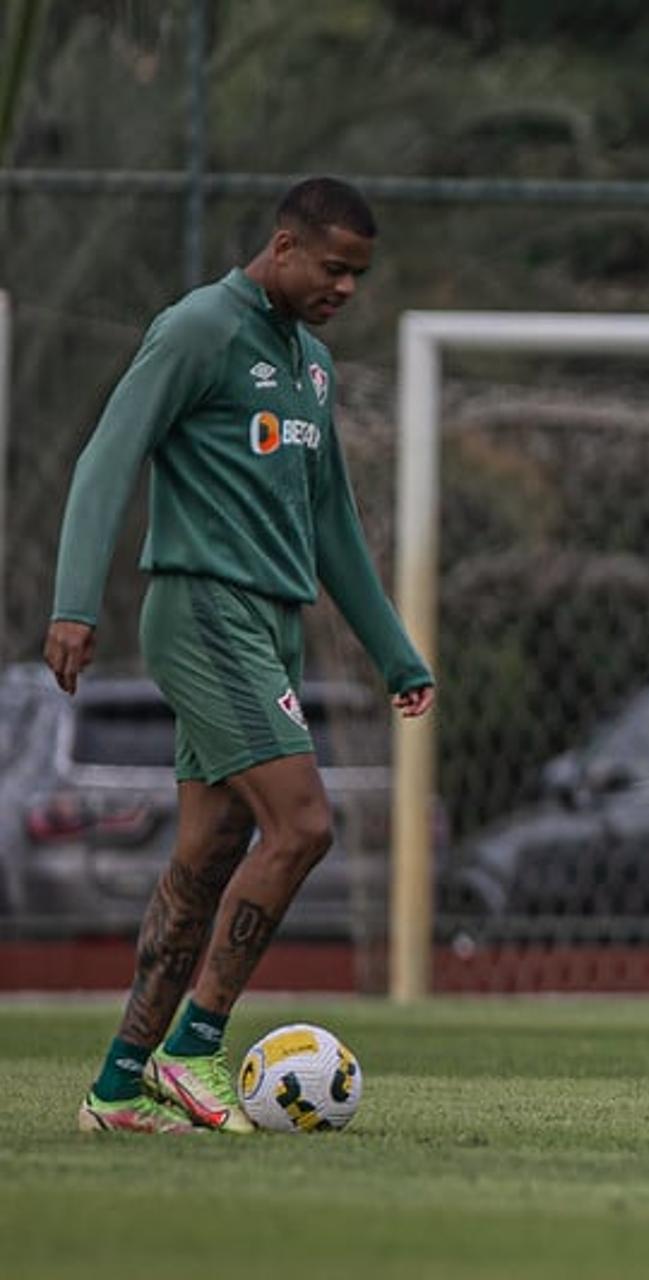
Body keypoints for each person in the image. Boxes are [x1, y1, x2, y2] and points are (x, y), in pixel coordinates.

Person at [47, 177, 434, 1134]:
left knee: (212, 850)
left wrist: (395, 654)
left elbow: (333, 521)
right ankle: (194, 1048)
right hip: (203, 609)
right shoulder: (198, 330)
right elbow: (108, 454)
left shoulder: (311, 365)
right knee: (303, 827)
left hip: (272, 625)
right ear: (285, 246)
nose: (346, 288)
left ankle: (118, 1085)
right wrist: (73, 602)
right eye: (334, 268)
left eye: (360, 275)